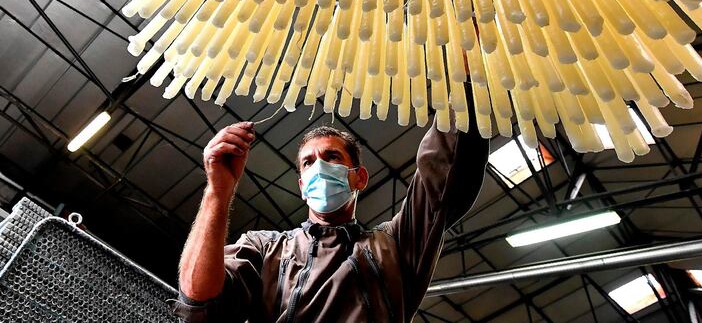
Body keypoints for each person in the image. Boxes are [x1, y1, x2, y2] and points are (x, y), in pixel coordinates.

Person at [170, 97, 487, 322]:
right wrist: (218, 189)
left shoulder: (394, 245)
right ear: (302, 187)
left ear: (359, 177)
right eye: (308, 162)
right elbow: (199, 302)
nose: (319, 167)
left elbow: (442, 178)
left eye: (332, 157)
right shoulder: (265, 251)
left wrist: (463, 82)